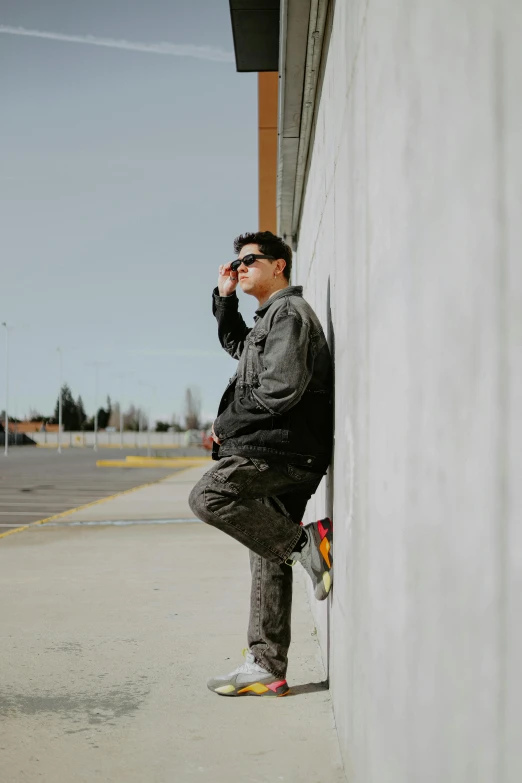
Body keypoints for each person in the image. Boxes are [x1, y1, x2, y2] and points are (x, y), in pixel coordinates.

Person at [189, 230, 333, 698]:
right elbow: (239, 347)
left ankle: (307, 541)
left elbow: (280, 390)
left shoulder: (289, 315)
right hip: (282, 449)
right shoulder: (268, 320)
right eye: (237, 263)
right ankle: (268, 665)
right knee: (267, 551)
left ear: (280, 267)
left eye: (251, 260)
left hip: (286, 452)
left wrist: (226, 426)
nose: (241, 267)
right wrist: (225, 300)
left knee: (209, 496)